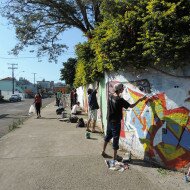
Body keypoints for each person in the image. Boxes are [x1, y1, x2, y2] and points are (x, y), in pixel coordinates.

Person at [101, 83, 146, 161]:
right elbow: (131, 106)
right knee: (115, 138)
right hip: (116, 122)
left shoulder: (110, 96)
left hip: (109, 120)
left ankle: (103, 152)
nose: (123, 89)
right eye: (122, 88)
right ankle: (115, 157)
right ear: (119, 90)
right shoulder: (120, 100)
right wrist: (139, 100)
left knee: (107, 136)